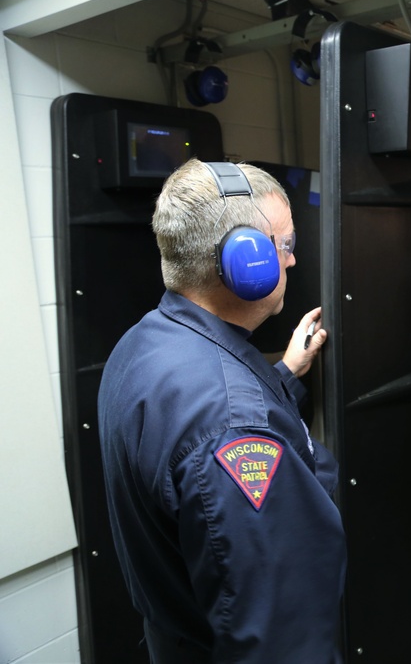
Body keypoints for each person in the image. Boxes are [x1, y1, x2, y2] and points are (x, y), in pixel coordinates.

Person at [98, 159, 347, 663]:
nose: (292, 262)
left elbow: (191, 433)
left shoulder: (143, 344)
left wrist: (286, 373)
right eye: (286, 245)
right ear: (246, 260)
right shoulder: (235, 426)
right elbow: (280, 637)